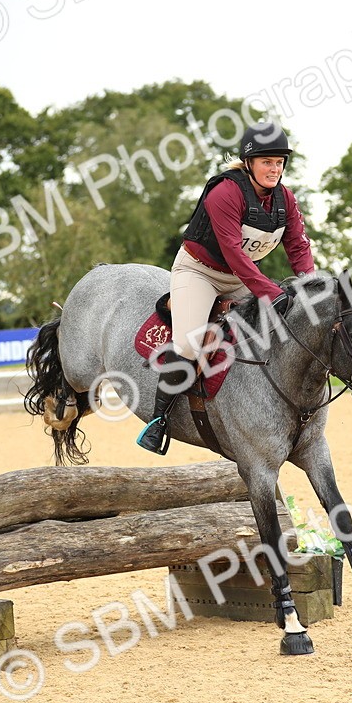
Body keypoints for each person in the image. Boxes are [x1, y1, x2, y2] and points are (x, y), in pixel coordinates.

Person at [137, 121, 317, 454]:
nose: (274, 168)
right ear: (249, 163)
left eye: (279, 162)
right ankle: (158, 420)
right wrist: (269, 292)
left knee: (277, 333)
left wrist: (309, 285)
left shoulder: (285, 199)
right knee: (190, 344)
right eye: (267, 161)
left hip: (242, 276)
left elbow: (298, 245)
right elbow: (234, 253)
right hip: (199, 272)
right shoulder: (225, 192)